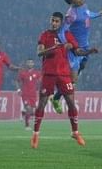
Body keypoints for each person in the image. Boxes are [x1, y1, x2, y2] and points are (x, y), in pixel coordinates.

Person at [31, 12, 98, 149]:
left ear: (61, 22)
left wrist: (89, 52)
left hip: (63, 74)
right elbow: (39, 53)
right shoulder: (45, 35)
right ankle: (36, 134)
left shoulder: (66, 35)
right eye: (52, 20)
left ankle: (75, 132)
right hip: (49, 74)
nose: (54, 23)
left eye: (56, 21)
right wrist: (53, 48)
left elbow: (77, 51)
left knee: (71, 103)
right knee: (41, 104)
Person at [50, 0, 102, 114]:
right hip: (76, 49)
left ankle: (63, 87)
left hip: (85, 46)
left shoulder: (84, 6)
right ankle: (56, 98)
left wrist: (98, 14)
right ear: (72, 2)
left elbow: (88, 14)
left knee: (83, 65)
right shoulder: (71, 14)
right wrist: (67, 44)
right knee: (73, 80)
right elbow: (61, 31)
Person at [15, 58, 41, 130]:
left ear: (33, 64)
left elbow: (40, 81)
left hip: (33, 95)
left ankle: (23, 113)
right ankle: (27, 125)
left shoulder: (37, 73)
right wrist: (18, 89)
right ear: (26, 64)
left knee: (32, 112)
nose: (30, 64)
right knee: (29, 109)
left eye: (31, 62)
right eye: (28, 62)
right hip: (25, 94)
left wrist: (41, 88)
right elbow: (17, 81)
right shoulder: (23, 73)